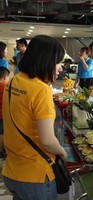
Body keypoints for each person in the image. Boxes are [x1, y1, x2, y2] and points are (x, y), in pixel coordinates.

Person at [2, 35, 67, 199]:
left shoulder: (14, 81)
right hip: (36, 176)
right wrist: (62, 153)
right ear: (46, 61)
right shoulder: (41, 90)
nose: (60, 68)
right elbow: (47, 140)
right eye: (58, 62)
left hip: (12, 172)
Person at [0, 66, 10, 158]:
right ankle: (1, 150)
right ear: (5, 77)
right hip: (2, 114)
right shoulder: (5, 86)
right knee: (2, 132)